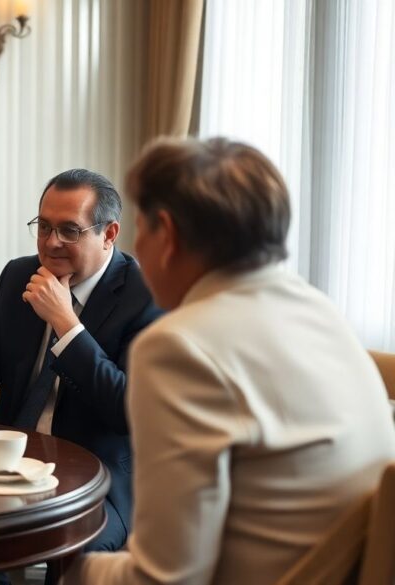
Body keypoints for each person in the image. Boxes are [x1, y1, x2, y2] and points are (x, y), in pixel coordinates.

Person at [65, 138, 395, 584]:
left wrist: (73, 570)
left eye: (140, 227)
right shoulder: (320, 312)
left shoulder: (179, 347)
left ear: (167, 234)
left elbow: (165, 579)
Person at [0, 169, 162, 555]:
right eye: (43, 227)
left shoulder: (146, 294)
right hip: (5, 466)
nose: (51, 242)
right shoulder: (18, 276)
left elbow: (129, 410)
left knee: (76, 553)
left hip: (98, 482)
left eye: (70, 230)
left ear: (109, 234)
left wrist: (67, 325)